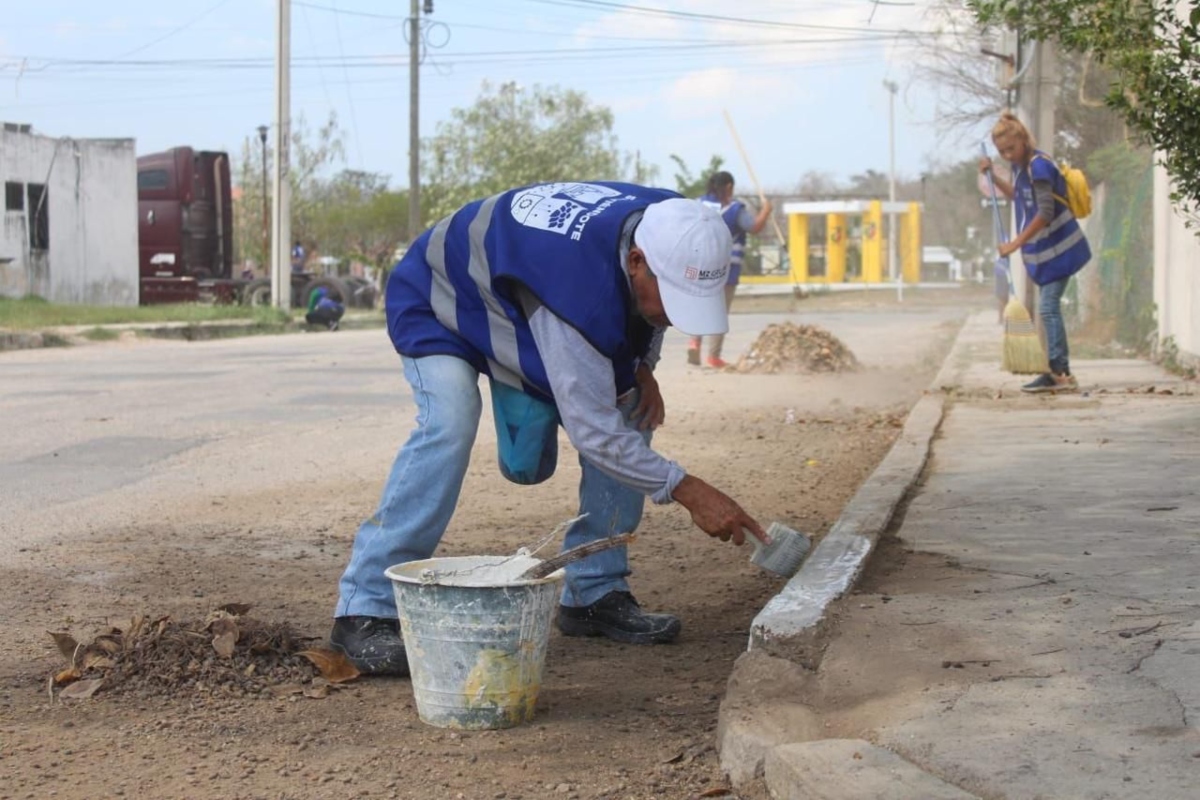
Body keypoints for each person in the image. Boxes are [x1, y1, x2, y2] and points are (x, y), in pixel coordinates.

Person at [329, 181, 768, 675]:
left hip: (516, 299)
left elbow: (646, 323)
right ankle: (364, 609)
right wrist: (688, 490)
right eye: (671, 298)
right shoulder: (573, 286)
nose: (673, 314)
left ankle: (594, 593)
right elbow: (594, 432)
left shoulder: (679, 224)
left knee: (631, 407)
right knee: (450, 421)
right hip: (442, 295)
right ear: (637, 261)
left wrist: (643, 364)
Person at [979, 112, 1091, 393]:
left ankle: (1060, 373)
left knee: (1049, 308)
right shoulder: (1020, 167)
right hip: (1048, 252)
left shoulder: (1039, 167)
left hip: (1061, 249)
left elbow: (1045, 211)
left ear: (1023, 140)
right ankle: (1058, 370)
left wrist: (1015, 243)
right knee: (1049, 307)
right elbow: (1017, 196)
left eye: (1010, 148)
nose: (1006, 154)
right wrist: (992, 175)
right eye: (1001, 151)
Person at [687, 171, 773, 369]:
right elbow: (755, 227)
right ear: (728, 187)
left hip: (701, 264)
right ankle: (713, 356)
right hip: (726, 268)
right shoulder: (735, 210)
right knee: (719, 312)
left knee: (701, 305)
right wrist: (766, 211)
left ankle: (694, 341)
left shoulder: (698, 204)